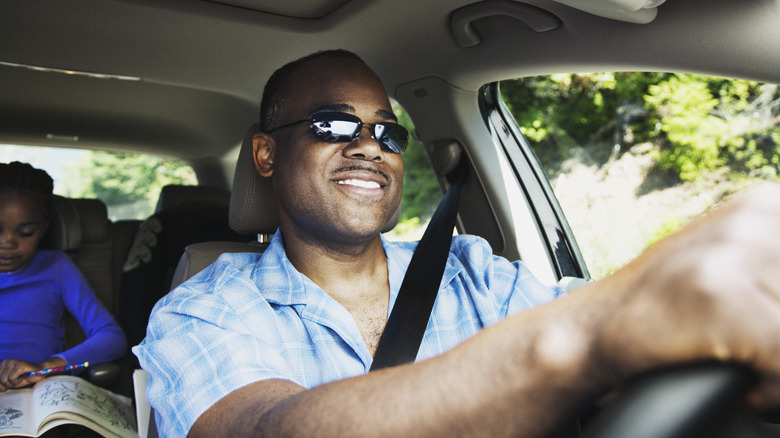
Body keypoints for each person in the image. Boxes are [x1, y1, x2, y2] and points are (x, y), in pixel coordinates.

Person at [134, 50, 780, 437]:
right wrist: (584, 338)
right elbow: (261, 431)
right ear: (268, 153)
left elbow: (618, 326)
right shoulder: (202, 308)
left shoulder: (469, 268)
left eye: (388, 132)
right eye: (334, 123)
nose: (369, 145)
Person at [0, 161, 127, 391]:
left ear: (44, 228)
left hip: (36, 397)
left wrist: (46, 367)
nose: (8, 242)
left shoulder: (57, 267)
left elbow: (112, 338)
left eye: (26, 232)